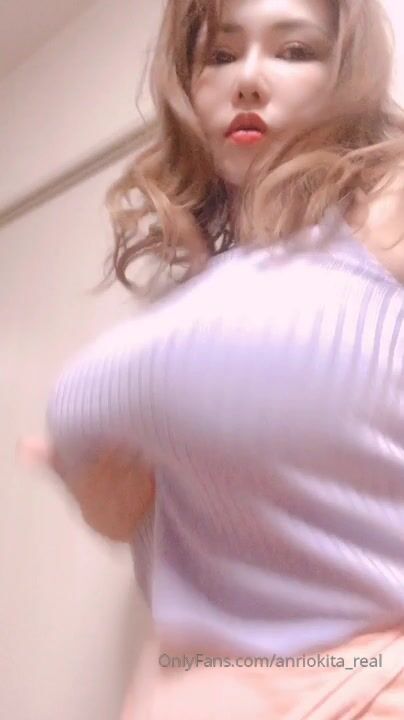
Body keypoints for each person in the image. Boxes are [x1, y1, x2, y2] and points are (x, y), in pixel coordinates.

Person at [21, 0, 404, 716]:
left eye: (294, 51)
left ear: (346, 73)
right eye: (221, 56)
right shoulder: (195, 300)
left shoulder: (388, 209)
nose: (248, 79)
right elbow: (132, 519)